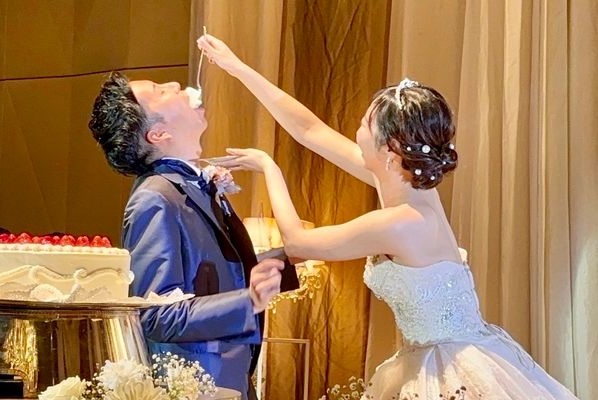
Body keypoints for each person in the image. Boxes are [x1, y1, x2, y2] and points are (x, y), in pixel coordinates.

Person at [197, 34, 579, 399]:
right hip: (427, 358)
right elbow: (309, 129)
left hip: (449, 370)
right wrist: (237, 67)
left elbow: (298, 243)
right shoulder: (405, 183)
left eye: (365, 125)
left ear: (391, 149)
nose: (357, 131)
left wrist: (269, 167)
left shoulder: (402, 221)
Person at [88, 71, 285, 398]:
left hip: (228, 379)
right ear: (158, 133)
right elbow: (156, 314)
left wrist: (286, 260)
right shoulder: (154, 198)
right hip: (198, 385)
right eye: (160, 90)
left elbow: (219, 271)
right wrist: (248, 301)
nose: (176, 85)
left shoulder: (188, 187)